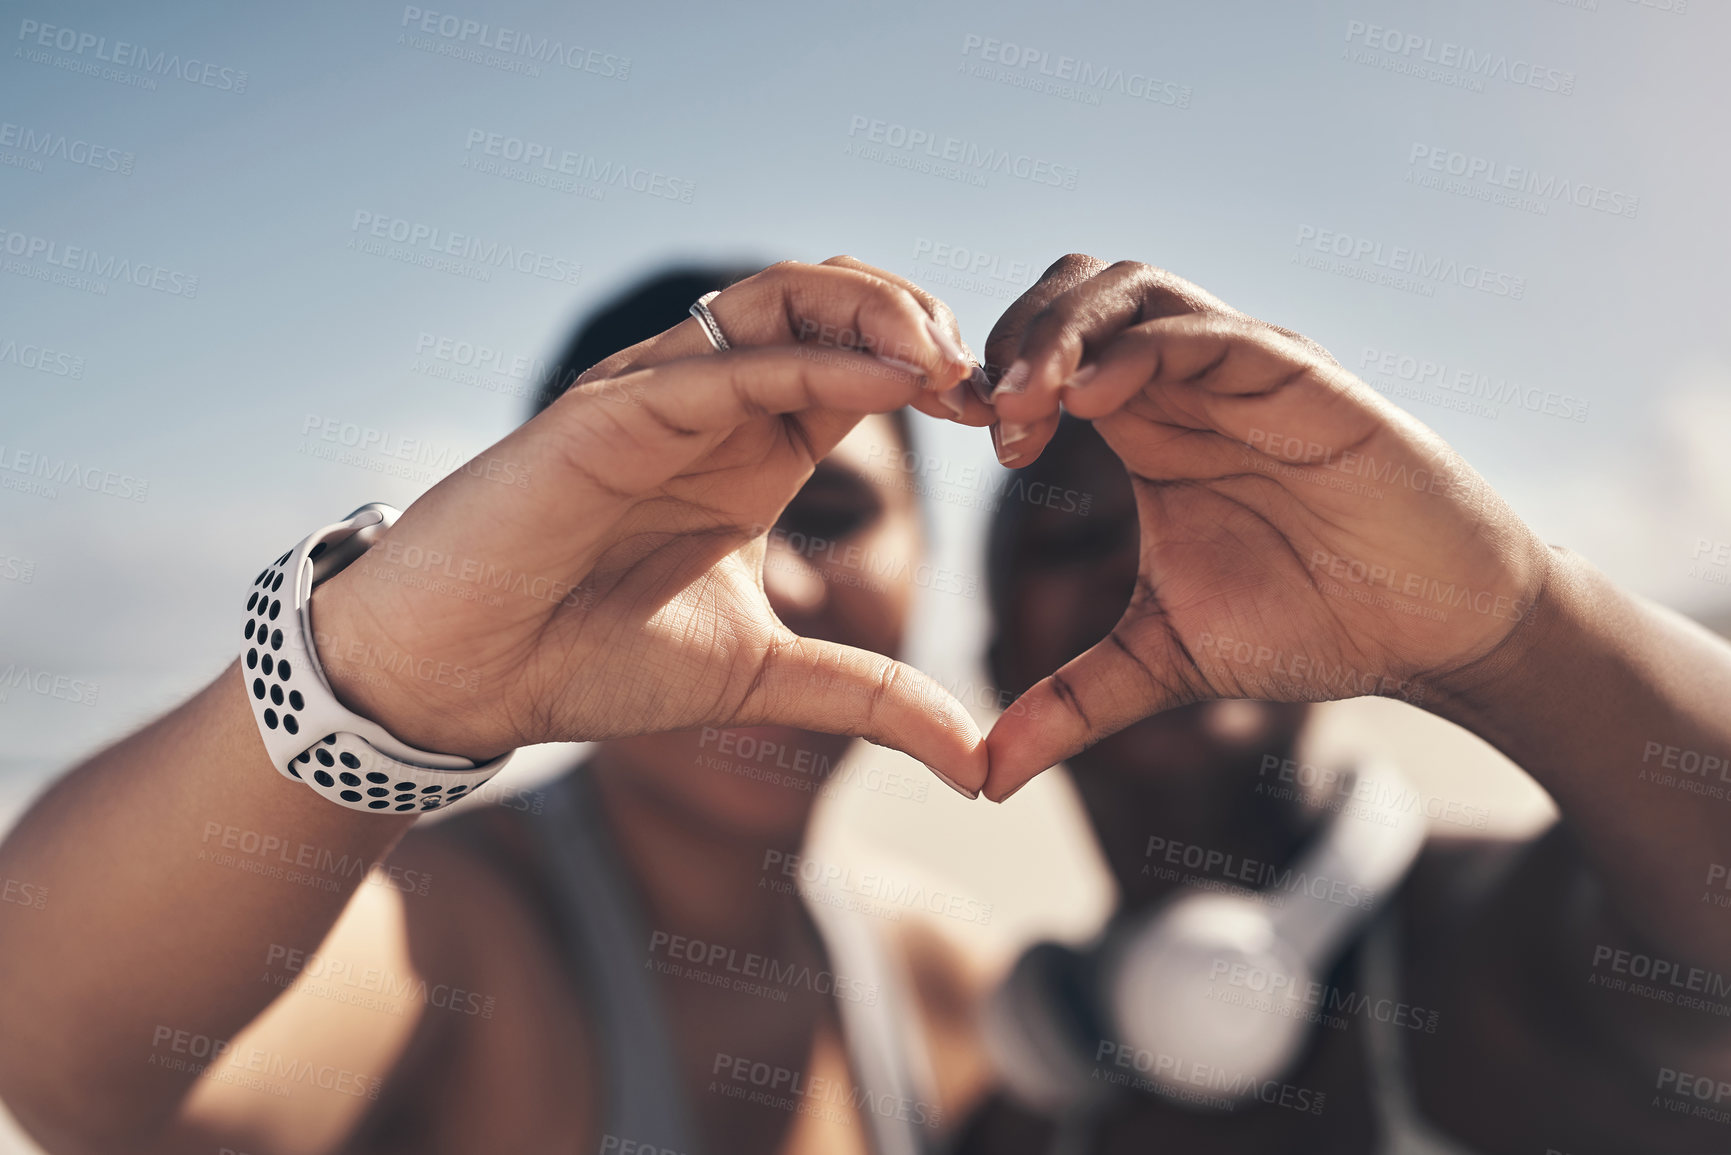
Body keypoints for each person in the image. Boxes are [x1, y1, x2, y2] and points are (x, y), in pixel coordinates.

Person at [0, 256, 1003, 1155]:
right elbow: (56, 1069)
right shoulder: (450, 938)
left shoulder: (938, 977)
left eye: (830, 516)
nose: (765, 585)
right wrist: (382, 674)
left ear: (928, 556)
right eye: (666, 530)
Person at [953, 255, 1731, 1154]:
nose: (1156, 570)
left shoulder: (1505, 949)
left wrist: (1510, 618)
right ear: (998, 666)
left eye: (1219, 523)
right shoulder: (1022, 1121)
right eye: (1076, 537)